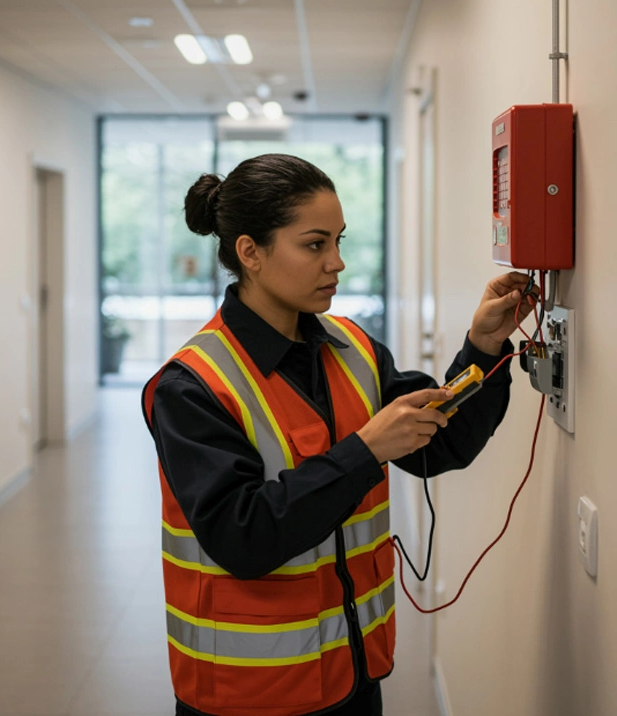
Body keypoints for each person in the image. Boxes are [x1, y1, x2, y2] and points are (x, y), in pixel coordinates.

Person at [141, 153, 537, 716]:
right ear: (250, 253)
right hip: (248, 693)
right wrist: (367, 449)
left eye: (339, 241)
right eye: (315, 244)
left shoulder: (353, 348)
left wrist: (482, 344)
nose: (338, 263)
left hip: (352, 673)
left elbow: (441, 444)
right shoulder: (193, 385)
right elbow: (241, 537)